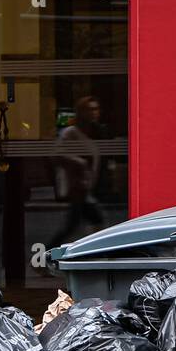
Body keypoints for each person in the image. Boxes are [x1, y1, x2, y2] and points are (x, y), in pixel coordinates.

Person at [50, 96, 107, 247]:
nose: (95, 113)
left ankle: (91, 251)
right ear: (81, 112)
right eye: (90, 109)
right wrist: (78, 162)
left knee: (76, 224)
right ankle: (93, 251)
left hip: (86, 186)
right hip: (76, 186)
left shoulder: (95, 131)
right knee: (94, 220)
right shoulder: (71, 132)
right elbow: (57, 154)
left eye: (96, 109)